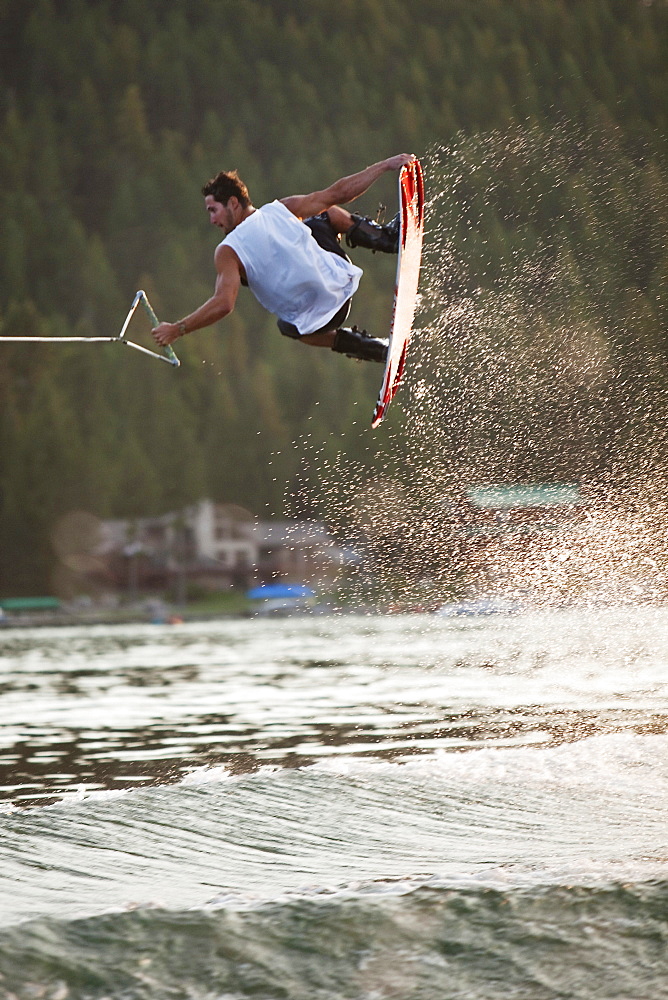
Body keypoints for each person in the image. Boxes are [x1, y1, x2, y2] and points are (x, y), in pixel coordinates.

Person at [151, 154, 415, 364]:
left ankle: (374, 349)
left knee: (288, 326)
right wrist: (385, 166)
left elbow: (223, 303)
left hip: (318, 323)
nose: (211, 220)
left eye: (213, 210)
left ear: (233, 203)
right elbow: (338, 193)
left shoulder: (227, 251)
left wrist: (178, 328)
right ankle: (387, 239)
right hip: (341, 289)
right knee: (325, 212)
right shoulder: (283, 209)